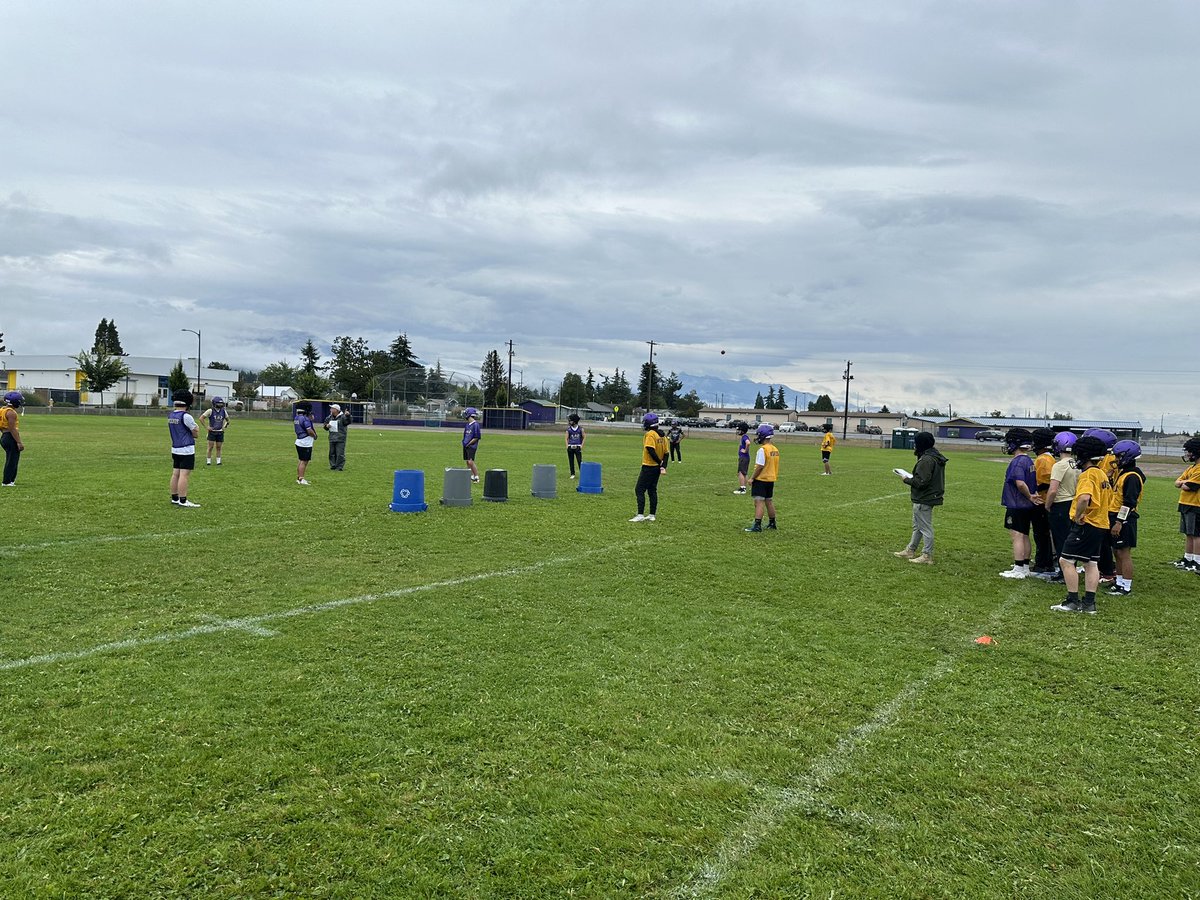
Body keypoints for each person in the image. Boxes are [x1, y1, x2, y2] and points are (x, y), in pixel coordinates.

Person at [1051, 435, 1113, 614]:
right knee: (1091, 563)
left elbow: (1085, 498)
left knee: (1066, 560)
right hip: (1101, 524)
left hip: (1087, 524)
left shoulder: (1087, 475)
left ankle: (1072, 601)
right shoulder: (1101, 473)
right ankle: (1089, 603)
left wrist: (1078, 515)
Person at [893, 431, 947, 564]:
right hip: (928, 496)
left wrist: (906, 479)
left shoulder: (926, 460)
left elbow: (921, 482)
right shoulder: (934, 456)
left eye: (916, 443)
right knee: (918, 526)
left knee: (925, 527)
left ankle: (926, 555)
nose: (914, 446)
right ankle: (910, 550)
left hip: (924, 497)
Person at [999, 427, 1042, 579]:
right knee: (1024, 535)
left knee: (1017, 535)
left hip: (1017, 504)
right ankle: (1024, 566)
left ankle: (1018, 568)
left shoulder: (1018, 462)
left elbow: (1020, 483)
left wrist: (1029, 496)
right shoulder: (1028, 460)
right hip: (1025, 506)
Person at [1106, 440, 1145, 597]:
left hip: (1124, 518)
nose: (1115, 460)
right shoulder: (1123, 473)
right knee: (1117, 551)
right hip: (1115, 515)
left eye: (1119, 456)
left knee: (1124, 553)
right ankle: (1120, 581)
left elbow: (1129, 502)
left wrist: (1119, 522)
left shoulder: (1132, 477)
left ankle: (1126, 586)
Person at [1043, 431, 1080, 585]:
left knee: (1060, 540)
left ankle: (1064, 572)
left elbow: (1053, 490)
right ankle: (1070, 569)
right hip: (1074, 503)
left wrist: (1047, 505)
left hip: (1062, 504)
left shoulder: (1059, 465)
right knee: (1070, 538)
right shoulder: (1077, 464)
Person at [1029, 427, 1058, 576]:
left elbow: (1046, 482)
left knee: (1041, 534)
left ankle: (1043, 563)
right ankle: (1045, 561)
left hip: (1042, 500)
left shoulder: (1043, 459)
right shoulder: (1048, 458)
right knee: (1043, 533)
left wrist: (1030, 490)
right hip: (1044, 499)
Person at [630, 412, 668, 522]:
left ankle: (640, 514)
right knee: (652, 490)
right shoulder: (662, 435)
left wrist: (658, 462)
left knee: (639, 490)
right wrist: (662, 465)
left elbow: (650, 449)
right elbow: (666, 453)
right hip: (656, 468)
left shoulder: (650, 434)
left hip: (649, 466)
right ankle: (652, 515)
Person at [167, 389, 201, 507]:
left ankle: (174, 497)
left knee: (175, 473)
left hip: (175, 448)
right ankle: (183, 500)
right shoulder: (186, 416)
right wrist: (196, 430)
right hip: (186, 449)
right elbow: (195, 433)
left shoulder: (171, 415)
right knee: (184, 475)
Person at [1172, 437, 1200, 574]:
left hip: (1195, 505)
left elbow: (1187, 486)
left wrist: (1184, 482)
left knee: (1196, 534)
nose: (1187, 454)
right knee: (1188, 533)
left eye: (1189, 451)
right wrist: (1183, 482)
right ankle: (1188, 558)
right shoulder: (1191, 468)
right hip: (1185, 504)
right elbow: (1177, 482)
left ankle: (1197, 561)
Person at [745, 424, 780, 532]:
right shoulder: (775, 449)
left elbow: (760, 466)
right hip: (771, 479)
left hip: (761, 479)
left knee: (759, 502)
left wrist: (752, 478)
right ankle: (772, 522)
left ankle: (757, 525)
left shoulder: (763, 449)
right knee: (769, 501)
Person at [1, 390, 26, 487]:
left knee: (10, 459)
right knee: (12, 460)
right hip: (10, 437)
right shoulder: (11, 413)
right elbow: (12, 428)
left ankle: (10, 480)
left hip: (4, 436)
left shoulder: (2, 410)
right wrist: (19, 442)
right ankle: (7, 481)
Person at [198, 396, 230, 466]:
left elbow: (228, 420)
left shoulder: (224, 411)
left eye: (221, 403)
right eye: (219, 403)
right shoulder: (210, 411)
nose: (220, 405)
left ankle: (218, 461)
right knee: (210, 447)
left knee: (218, 447)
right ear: (214, 403)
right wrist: (207, 427)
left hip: (220, 432)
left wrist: (225, 426)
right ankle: (208, 461)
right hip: (212, 432)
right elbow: (201, 418)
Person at [294, 400, 317, 485]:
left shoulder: (297, 417)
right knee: (304, 461)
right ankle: (301, 479)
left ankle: (299, 477)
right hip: (305, 442)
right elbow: (309, 430)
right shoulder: (305, 419)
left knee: (301, 460)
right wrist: (314, 436)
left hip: (299, 440)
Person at [323, 403, 352, 471]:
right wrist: (326, 426)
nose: (331, 410)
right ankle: (333, 465)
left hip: (340, 438)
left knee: (340, 453)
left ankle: (339, 466)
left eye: (332, 408)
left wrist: (348, 416)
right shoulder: (329, 417)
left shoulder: (343, 417)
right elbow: (325, 425)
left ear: (336, 410)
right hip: (332, 437)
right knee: (332, 453)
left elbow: (348, 422)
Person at [461, 407, 482, 483]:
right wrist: (464, 442)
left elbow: (477, 437)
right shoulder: (467, 425)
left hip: (471, 446)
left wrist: (469, 443)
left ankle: (476, 476)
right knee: (467, 461)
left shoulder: (475, 425)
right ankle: (470, 476)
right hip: (465, 445)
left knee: (471, 461)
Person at [733, 422, 751, 494]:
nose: (738, 431)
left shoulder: (745, 437)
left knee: (740, 472)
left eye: (739, 430)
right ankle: (745, 487)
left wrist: (745, 450)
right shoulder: (744, 436)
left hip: (743, 457)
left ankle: (742, 488)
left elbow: (748, 443)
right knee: (744, 473)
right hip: (745, 458)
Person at [565, 413, 584, 479]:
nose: (569, 422)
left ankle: (582, 473)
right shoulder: (569, 429)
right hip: (571, 446)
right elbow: (566, 438)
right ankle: (572, 473)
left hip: (577, 447)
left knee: (579, 460)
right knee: (571, 460)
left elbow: (584, 437)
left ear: (575, 421)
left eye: (571, 420)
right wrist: (567, 446)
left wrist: (581, 445)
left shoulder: (580, 429)